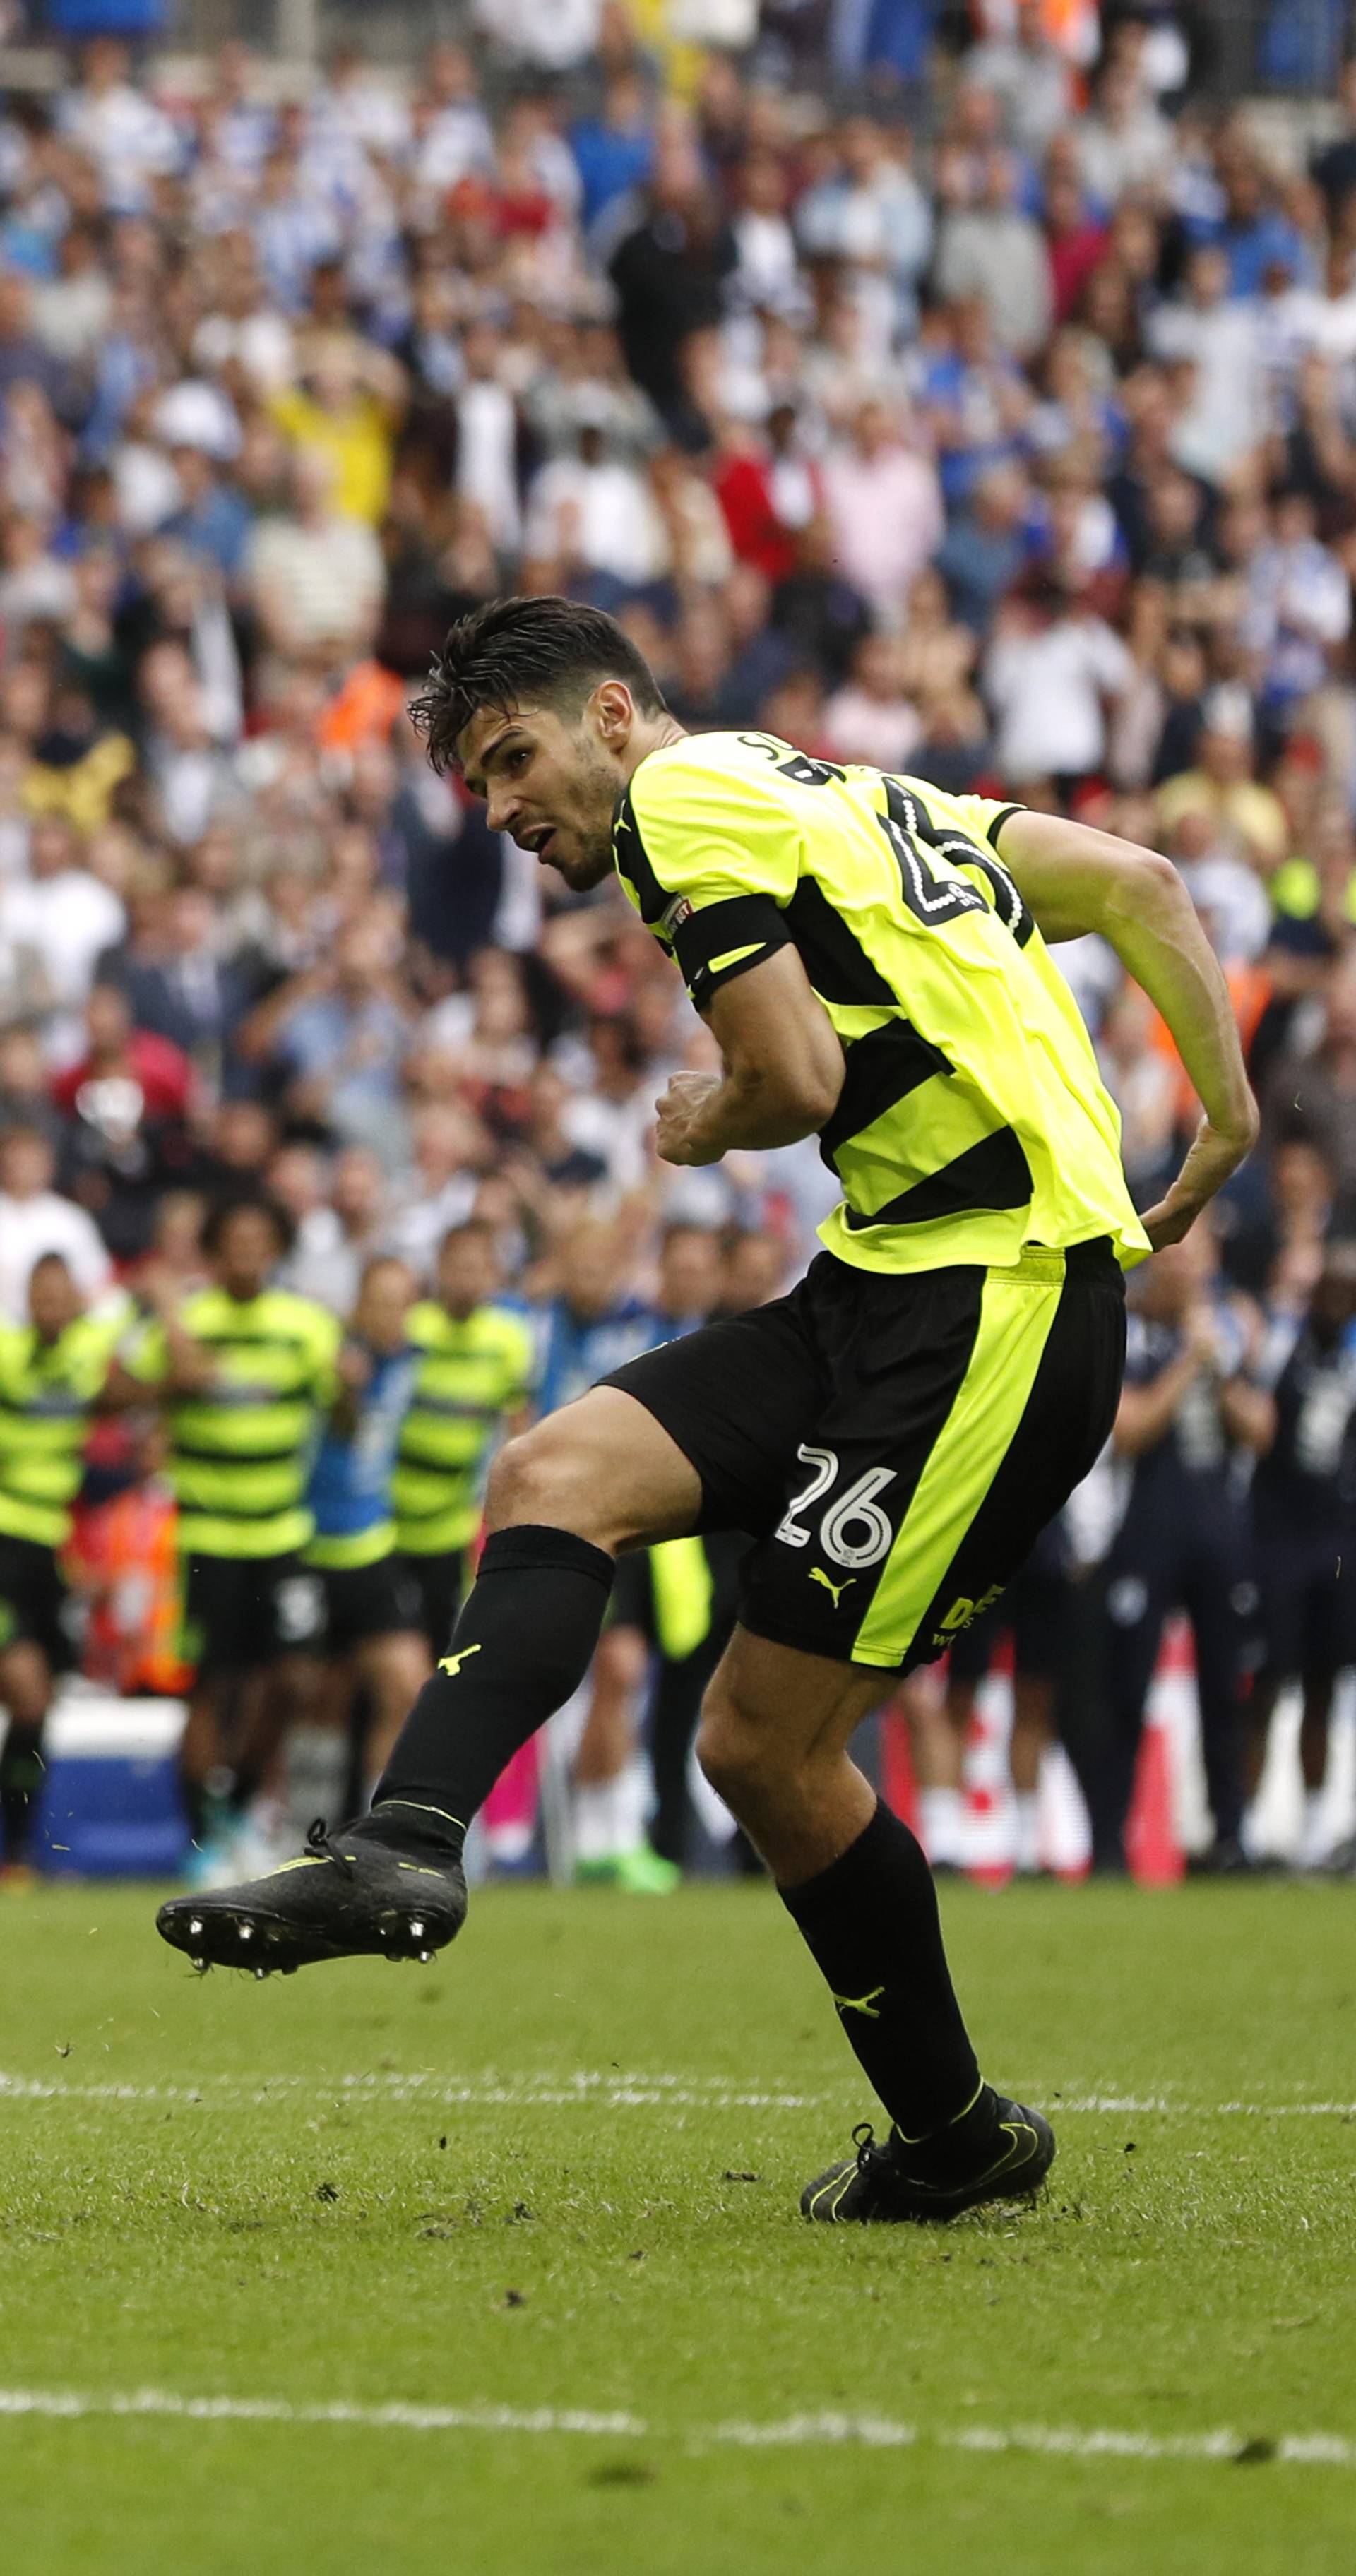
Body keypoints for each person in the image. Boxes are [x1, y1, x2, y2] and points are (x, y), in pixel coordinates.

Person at [160, 595, 1257, 2230]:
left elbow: (794, 1074)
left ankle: (951, 2134)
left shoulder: (679, 802)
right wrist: (1220, 1119)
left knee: (758, 1740)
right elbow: (1141, 886)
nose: (506, 807)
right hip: (885, 1279)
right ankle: (402, 1838)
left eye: (514, 758)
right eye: (475, 787)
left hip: (992, 1307)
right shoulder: (849, 791)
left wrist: (703, 1124)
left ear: (614, 714)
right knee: (558, 1471)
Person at [119, 1191, 340, 1880]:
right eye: (234, 1242)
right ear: (217, 1253)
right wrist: (167, 1323)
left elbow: (345, 1409)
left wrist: (355, 1384)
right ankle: (204, 1840)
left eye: (259, 1242)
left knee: (296, 1678)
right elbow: (131, 1386)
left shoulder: (305, 1326)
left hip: (283, 1530)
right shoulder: (189, 1321)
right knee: (210, 1686)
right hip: (209, 1534)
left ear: (275, 1250)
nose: (247, 1253)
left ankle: (243, 1805)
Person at [1093, 1226, 1273, 1876]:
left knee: (1225, 1693)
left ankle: (1230, 1838)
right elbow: (1131, 1430)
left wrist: (1220, 1367)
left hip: (1220, 1534)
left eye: (1199, 1256)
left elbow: (1259, 1432)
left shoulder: (1233, 1336)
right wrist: (1189, 1362)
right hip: (1147, 1532)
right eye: (1178, 1255)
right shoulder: (1129, 1331)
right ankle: (1110, 1845)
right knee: (1127, 1690)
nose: (1189, 1269)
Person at [0, 1255, 126, 1879]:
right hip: (3, 1541)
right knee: (24, 1688)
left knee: (37, 1706)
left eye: (61, 1297)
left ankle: (19, 1850)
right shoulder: (5, 1352)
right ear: (27, 1299)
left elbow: (133, 1383)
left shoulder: (88, 1353)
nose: (50, 1307)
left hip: (48, 1552)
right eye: (40, 1296)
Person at [304, 1255, 430, 1806]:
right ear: (358, 1306)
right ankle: (303, 1833)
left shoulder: (414, 1362)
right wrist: (343, 1386)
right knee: (319, 1699)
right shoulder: (332, 1362)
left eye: (401, 1303)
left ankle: (375, 1835)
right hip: (309, 1548)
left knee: (406, 1685)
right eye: (379, 1301)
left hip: (373, 1545)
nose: (390, 1315)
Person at [1245, 1247, 1356, 1868]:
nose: (1339, 1301)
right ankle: (1252, 1824)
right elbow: (1260, 1429)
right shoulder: (1279, 1342)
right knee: (1266, 1682)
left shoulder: (1352, 1355)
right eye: (1331, 1289)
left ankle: (1317, 1827)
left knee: (1322, 1684)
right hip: (1278, 1541)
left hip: (1339, 1545)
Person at [391, 1220, 535, 1659]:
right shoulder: (411, 1330)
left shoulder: (509, 1339)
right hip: (388, 1523)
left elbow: (518, 1431)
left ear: (494, 1273)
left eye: (478, 1268)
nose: (467, 1279)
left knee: (440, 1651)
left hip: (452, 1526)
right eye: (458, 1267)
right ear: (439, 1268)